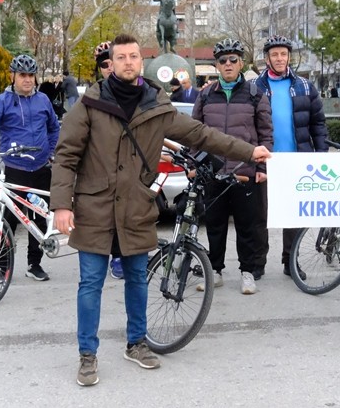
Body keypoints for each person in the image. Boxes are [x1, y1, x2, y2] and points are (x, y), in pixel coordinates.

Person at [50, 33, 272, 387]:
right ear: (112, 63)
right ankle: (87, 355)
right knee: (90, 283)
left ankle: (136, 343)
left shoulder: (156, 105)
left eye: (133, 56)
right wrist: (61, 204)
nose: (127, 62)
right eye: (120, 57)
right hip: (95, 207)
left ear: (142, 61)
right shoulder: (89, 106)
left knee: (138, 279)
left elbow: (201, 134)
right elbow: (66, 156)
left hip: (137, 205)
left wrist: (249, 151)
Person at [0, 54, 60, 282]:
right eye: (22, 75)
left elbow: (54, 128)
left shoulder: (43, 101)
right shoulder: (3, 101)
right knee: (9, 218)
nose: (27, 80)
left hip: (40, 166)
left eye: (30, 75)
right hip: (15, 167)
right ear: (12, 76)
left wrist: (52, 150)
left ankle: (34, 264)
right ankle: (4, 266)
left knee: (38, 217)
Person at [191, 38, 272, 295]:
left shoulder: (255, 94)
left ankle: (247, 272)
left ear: (241, 63)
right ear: (216, 65)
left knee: (247, 225)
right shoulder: (205, 95)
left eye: (233, 60)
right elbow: (195, 132)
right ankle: (214, 270)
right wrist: (195, 163)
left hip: (244, 172)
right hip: (214, 172)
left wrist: (262, 168)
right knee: (214, 224)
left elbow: (266, 134)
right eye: (223, 60)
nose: (228, 64)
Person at [253, 34, 328, 278]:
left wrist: (321, 154)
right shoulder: (254, 87)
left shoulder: (304, 86)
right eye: (274, 54)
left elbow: (318, 123)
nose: (279, 58)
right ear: (267, 58)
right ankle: (257, 263)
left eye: (283, 54)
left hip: (295, 160)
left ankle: (290, 262)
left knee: (293, 215)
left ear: (289, 57)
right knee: (259, 215)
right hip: (264, 160)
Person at [94, 40, 126, 281]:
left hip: (125, 166)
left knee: (120, 215)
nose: (107, 67)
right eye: (103, 64)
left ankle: (118, 256)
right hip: (98, 167)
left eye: (110, 62)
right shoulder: (92, 96)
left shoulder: (131, 93)